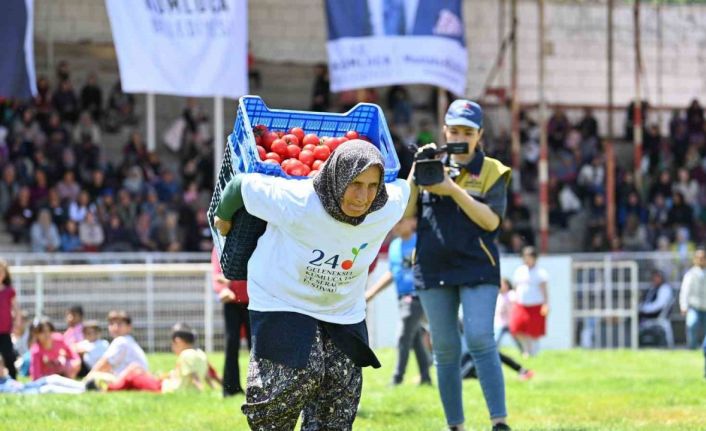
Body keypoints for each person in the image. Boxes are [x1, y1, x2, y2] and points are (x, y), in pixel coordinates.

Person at [213, 140, 410, 430]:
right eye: (355, 183)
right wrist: (222, 216)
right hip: (282, 298)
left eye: (371, 185)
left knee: (339, 402)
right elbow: (240, 185)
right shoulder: (299, 200)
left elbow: (409, 187)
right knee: (286, 390)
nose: (363, 196)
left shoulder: (386, 205)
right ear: (337, 176)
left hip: (342, 310)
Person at [403, 99, 511, 431]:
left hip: (478, 265)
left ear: (480, 135)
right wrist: (415, 171)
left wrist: (451, 189)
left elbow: (491, 221)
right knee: (446, 349)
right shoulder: (430, 165)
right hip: (433, 266)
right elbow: (405, 218)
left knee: (480, 338)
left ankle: (499, 422)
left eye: (468, 131)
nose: (461, 137)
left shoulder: (493, 170)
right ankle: (455, 426)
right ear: (444, 131)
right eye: (455, 130)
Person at [365, 216, 432, 386]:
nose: (396, 225)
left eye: (401, 221)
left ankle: (397, 378)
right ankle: (426, 377)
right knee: (415, 337)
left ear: (413, 222)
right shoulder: (394, 246)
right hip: (402, 297)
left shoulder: (421, 242)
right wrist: (371, 293)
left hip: (416, 296)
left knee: (403, 335)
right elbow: (392, 273)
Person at [99, 323, 214, 393]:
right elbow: (207, 375)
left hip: (167, 389)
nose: (173, 348)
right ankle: (111, 384)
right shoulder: (201, 354)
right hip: (165, 383)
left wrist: (200, 389)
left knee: (132, 376)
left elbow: (194, 376)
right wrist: (213, 388)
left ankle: (108, 389)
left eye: (172, 344)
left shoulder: (186, 355)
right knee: (138, 371)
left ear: (178, 341)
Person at [211, 247, 251, 397]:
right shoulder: (220, 244)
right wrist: (222, 289)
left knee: (255, 346)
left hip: (252, 299)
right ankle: (230, 388)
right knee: (231, 344)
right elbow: (216, 271)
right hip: (231, 300)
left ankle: (258, 388)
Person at [510, 246, 549, 357]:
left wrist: (546, 304)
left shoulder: (540, 272)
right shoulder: (519, 270)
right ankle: (526, 349)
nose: (526, 260)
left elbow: (544, 289)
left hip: (536, 304)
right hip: (521, 304)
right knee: (517, 328)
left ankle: (534, 353)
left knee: (534, 331)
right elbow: (515, 287)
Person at [88, 310, 148, 378]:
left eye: (119, 324)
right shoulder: (128, 340)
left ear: (129, 327)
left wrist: (88, 378)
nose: (115, 328)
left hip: (132, 379)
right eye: (111, 324)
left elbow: (104, 364)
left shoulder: (121, 341)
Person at [0, 356, 85, 395]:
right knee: (50, 388)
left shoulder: (5, 377)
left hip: (28, 385)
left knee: (52, 378)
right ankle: (82, 392)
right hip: (26, 392)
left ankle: (85, 386)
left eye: (2, 365)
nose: (2, 368)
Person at [679, 248, 706, 350]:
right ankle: (692, 348)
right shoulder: (690, 274)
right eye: (698, 258)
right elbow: (685, 291)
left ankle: (704, 349)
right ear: (694, 259)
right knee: (691, 324)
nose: (701, 260)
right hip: (694, 306)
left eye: (703, 258)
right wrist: (683, 306)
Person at [0, 258, 20, 379]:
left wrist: (17, 322)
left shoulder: (9, 291)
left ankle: (13, 379)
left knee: (9, 356)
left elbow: (16, 309)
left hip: (5, 331)